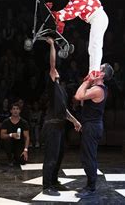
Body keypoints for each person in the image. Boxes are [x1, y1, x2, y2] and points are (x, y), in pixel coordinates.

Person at [49, 0, 109, 81]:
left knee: (95, 44)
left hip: (99, 17)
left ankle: (94, 71)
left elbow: (72, 13)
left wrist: (55, 16)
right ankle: (92, 71)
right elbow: (67, 10)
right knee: (92, 46)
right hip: (96, 19)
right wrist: (54, 15)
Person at [42, 37, 82, 196]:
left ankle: (54, 181)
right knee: (51, 156)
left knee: (59, 156)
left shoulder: (62, 91)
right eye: (54, 71)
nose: (55, 70)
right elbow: (52, 63)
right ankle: (46, 186)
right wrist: (52, 45)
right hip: (51, 126)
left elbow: (64, 111)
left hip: (59, 126)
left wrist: (75, 121)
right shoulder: (52, 86)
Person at [73, 63, 113, 199]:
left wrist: (88, 81)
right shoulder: (97, 88)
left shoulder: (99, 89)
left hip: (93, 126)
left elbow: (78, 96)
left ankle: (91, 186)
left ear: (101, 74)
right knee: (87, 156)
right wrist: (88, 82)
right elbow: (82, 99)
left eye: (99, 68)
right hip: (90, 125)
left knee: (89, 157)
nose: (95, 69)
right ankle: (89, 184)